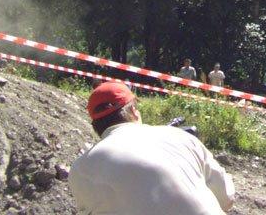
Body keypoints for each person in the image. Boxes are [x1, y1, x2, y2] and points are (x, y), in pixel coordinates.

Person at [69, 81, 235, 214]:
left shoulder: (81, 168)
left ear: (95, 126)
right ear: (133, 110)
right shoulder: (181, 137)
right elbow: (226, 198)